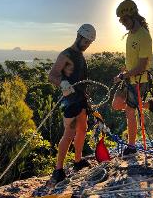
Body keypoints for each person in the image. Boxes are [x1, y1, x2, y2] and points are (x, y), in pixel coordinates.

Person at [48, 24, 96, 185]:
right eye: (86, 41)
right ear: (79, 36)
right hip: (70, 102)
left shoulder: (81, 56)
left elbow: (81, 81)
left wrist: (86, 98)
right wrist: (63, 84)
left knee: (82, 129)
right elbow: (52, 75)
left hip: (81, 100)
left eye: (90, 42)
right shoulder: (66, 54)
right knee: (69, 134)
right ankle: (58, 170)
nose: (87, 44)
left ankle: (77, 161)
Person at [112, 0, 153, 157]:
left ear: (133, 16)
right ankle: (147, 105)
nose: (123, 24)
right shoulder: (130, 35)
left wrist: (123, 76)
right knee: (117, 104)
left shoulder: (144, 36)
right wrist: (123, 72)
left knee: (129, 111)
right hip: (129, 78)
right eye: (121, 21)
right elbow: (131, 61)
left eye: (124, 20)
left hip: (139, 80)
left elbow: (142, 66)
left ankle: (131, 146)